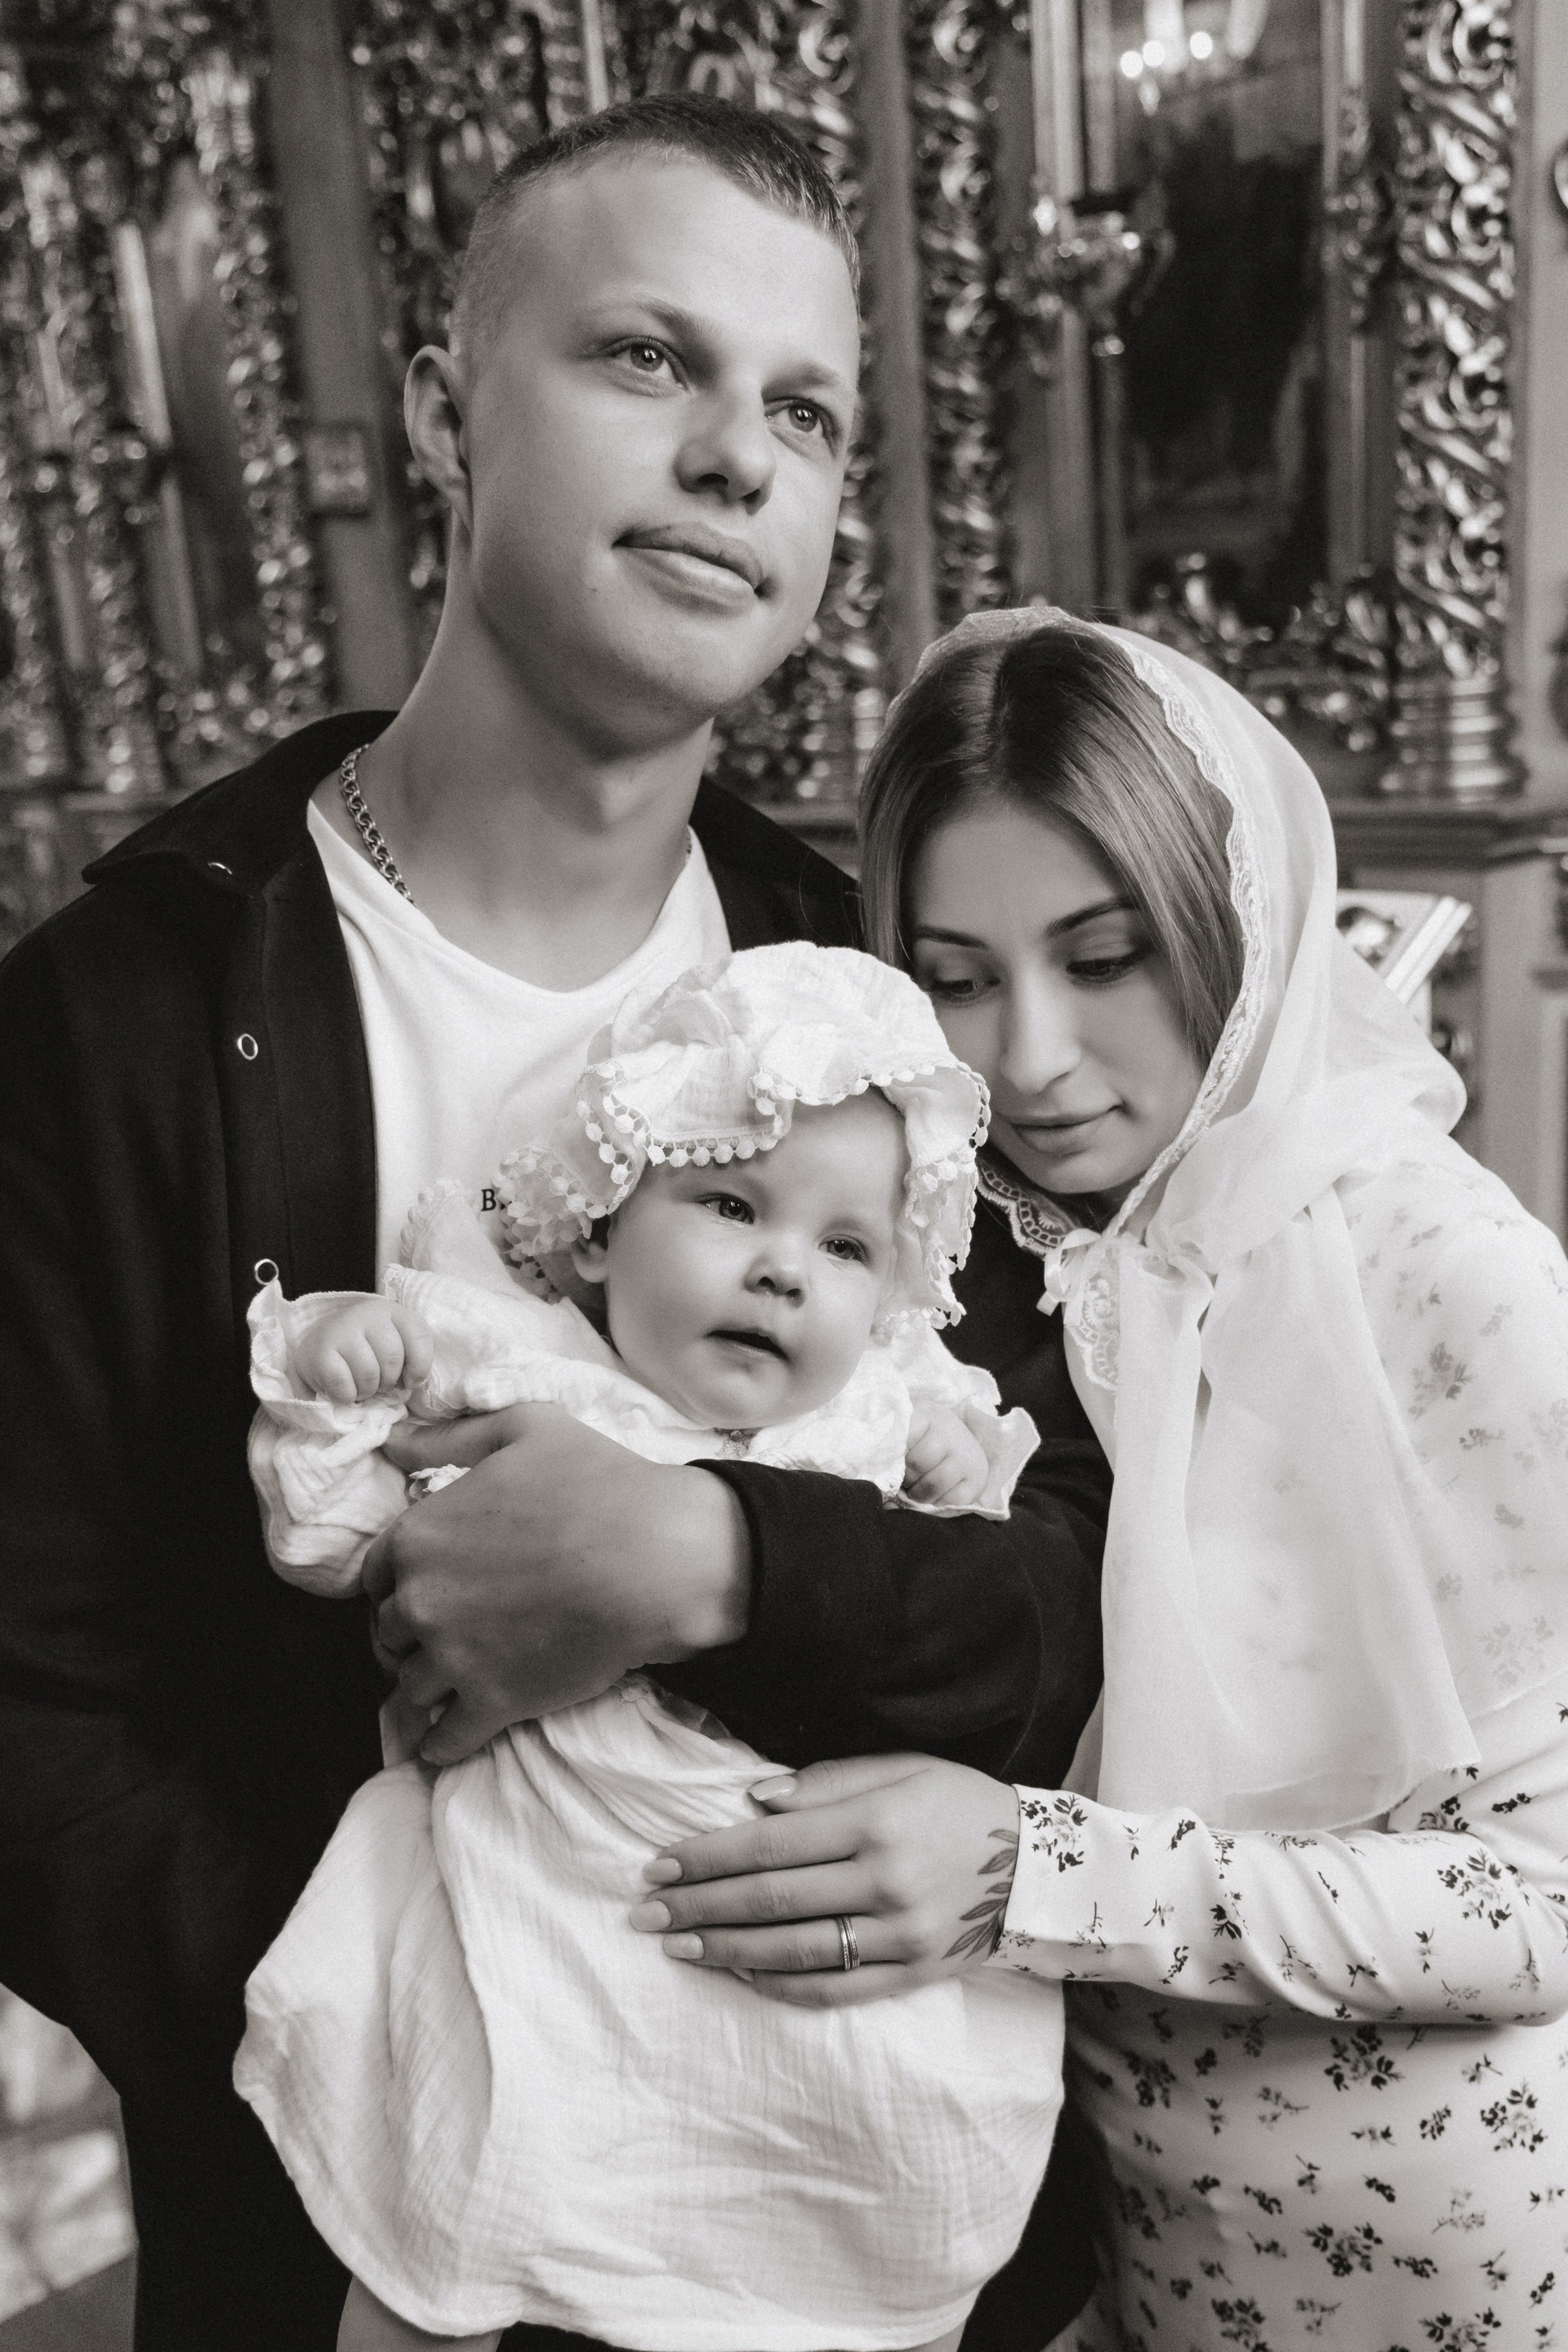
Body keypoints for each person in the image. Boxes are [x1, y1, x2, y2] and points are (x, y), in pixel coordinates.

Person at [0, 105, 1108, 2350]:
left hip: (868, 2214)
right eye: (645, 356)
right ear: (444, 411)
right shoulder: (123, 1009)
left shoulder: (872, 1008)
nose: (735, 457)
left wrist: (720, 1560)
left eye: (804, 411)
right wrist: (390, 2037)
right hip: (359, 2240)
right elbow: (29, 1712)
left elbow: (1065, 1570)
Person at [627, 608, 1568, 2350]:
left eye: (1107, 955)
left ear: (1230, 927)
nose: (1033, 1058)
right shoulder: (1017, 1275)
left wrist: (1035, 1874)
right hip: (1131, 2244)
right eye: (958, 977)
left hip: (1444, 2270)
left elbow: (1552, 1904)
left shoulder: (1445, 1273)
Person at [239, 941, 1058, 2352]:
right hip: (544, 1892)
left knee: (907, 2149)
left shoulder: (869, 1418)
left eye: (846, 1248)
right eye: (731, 1204)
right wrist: (337, 1387)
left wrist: (952, 1464)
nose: (783, 1270)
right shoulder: (518, 1368)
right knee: (458, 2181)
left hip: (781, 1889)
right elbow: (327, 1538)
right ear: (601, 1230)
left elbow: (985, 1589)